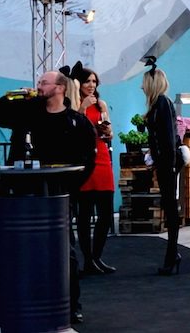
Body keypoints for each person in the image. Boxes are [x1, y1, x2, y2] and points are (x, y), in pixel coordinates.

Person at [0, 70, 97, 324]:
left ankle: (71, 304)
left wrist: (69, 188)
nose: (38, 86)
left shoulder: (75, 121)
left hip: (58, 196)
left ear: (60, 88)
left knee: (64, 251)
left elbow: (87, 161)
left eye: (44, 83)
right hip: (23, 193)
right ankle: (26, 300)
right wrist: (15, 95)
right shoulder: (27, 112)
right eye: (38, 82)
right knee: (22, 251)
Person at [140, 59, 184, 273]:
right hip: (166, 163)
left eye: (143, 83)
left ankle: (172, 254)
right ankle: (172, 253)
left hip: (168, 164)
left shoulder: (162, 104)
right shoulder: (159, 105)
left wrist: (168, 164)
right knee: (169, 207)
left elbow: (167, 138)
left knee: (170, 208)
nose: (141, 87)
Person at [74, 65, 117, 275]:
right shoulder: (75, 103)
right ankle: (88, 260)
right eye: (87, 81)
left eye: (94, 81)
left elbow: (110, 132)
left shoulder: (101, 104)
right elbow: (73, 128)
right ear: (79, 84)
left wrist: (108, 131)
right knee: (84, 214)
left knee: (106, 213)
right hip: (85, 159)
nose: (91, 85)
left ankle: (97, 256)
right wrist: (82, 108)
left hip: (102, 157)